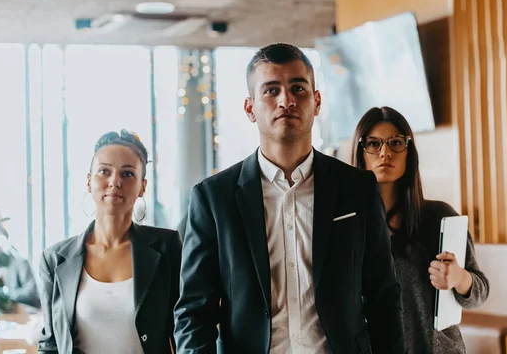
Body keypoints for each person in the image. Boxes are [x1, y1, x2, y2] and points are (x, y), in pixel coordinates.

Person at [174, 43, 405, 353]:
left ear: (317, 100)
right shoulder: (214, 198)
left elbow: (383, 295)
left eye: (298, 88)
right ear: (250, 108)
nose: (287, 100)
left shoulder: (357, 188)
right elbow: (194, 311)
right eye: (271, 91)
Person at [351, 106, 489, 354]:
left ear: (409, 152)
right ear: (361, 153)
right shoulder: (346, 224)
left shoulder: (439, 217)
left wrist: (457, 277)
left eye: (395, 143)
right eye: (373, 144)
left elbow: (480, 290)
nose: (385, 153)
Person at [38, 130, 182, 354]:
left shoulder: (168, 247)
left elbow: (186, 328)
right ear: (89, 181)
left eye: (127, 174)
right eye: (104, 171)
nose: (114, 182)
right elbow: (50, 344)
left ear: (143, 186)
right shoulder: (54, 259)